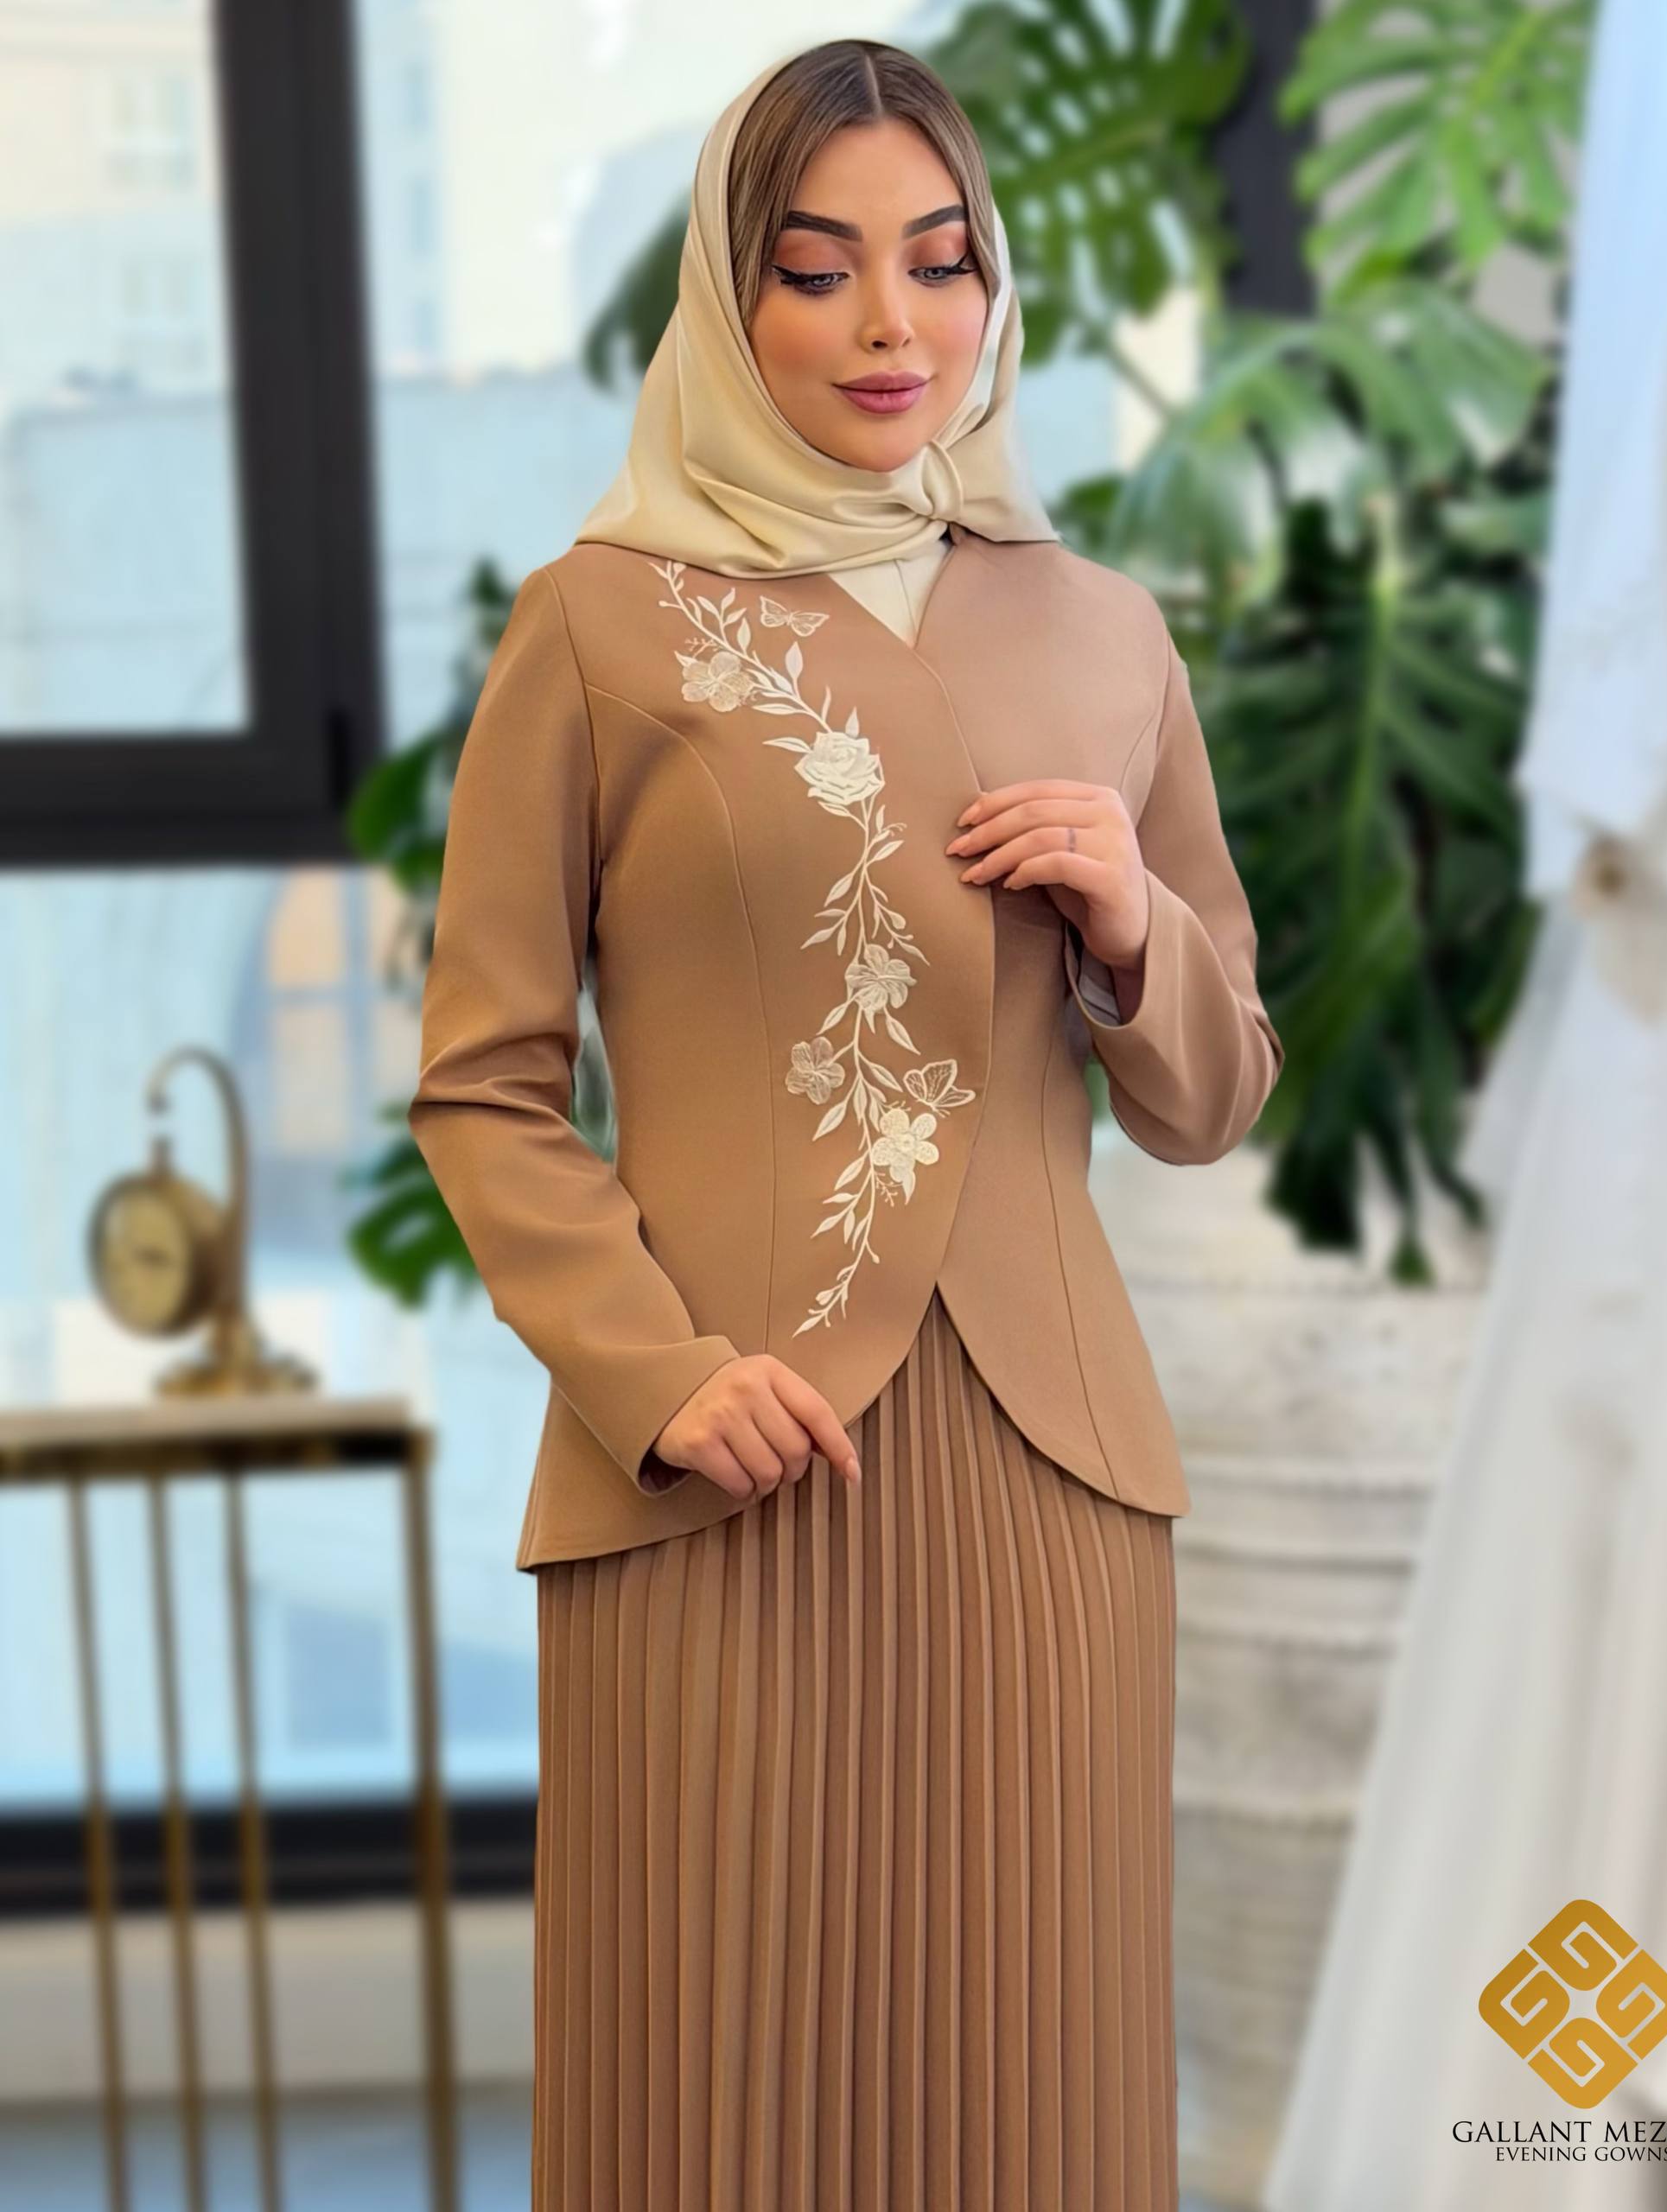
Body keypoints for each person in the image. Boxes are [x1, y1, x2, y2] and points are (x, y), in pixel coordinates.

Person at [409, 37, 1283, 2209]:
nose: (892, 324)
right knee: (713, 2078)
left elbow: (1212, 1091)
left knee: (1031, 2081)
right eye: (815, 272)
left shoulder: (1102, 630)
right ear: (731, 299)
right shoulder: (600, 627)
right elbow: (485, 1081)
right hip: (719, 1465)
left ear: (992, 287)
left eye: (938, 261)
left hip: (1043, 1482)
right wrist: (657, 1374)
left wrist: (1131, 920)